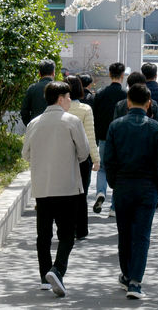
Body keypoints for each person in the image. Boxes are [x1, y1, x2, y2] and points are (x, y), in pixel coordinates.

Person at [22, 80, 90, 298]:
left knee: (43, 235)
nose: (70, 100)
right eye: (68, 97)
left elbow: (25, 154)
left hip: (42, 187)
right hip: (68, 187)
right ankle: (57, 270)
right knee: (67, 235)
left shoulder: (34, 123)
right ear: (60, 98)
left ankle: (45, 277)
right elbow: (84, 153)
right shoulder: (72, 121)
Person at [105, 81, 158, 301]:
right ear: (149, 103)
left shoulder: (116, 126)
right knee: (142, 235)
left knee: (124, 233)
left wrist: (114, 183)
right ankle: (135, 281)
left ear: (128, 102)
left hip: (122, 186)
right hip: (147, 187)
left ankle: (126, 273)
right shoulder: (156, 128)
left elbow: (109, 161)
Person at [67, 75, 100, 240]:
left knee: (64, 194)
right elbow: (90, 136)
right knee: (82, 194)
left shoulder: (59, 109)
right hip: (82, 159)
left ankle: (65, 227)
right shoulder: (85, 109)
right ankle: (80, 229)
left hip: (62, 158)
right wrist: (96, 159)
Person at [92, 62, 126, 214]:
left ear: (109, 74)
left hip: (104, 136)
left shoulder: (100, 93)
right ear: (122, 75)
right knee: (118, 170)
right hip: (120, 138)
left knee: (103, 168)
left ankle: (100, 192)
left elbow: (94, 115)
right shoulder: (126, 95)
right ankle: (113, 207)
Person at [20, 58, 56, 126]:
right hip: (55, 127)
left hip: (35, 126)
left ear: (39, 73)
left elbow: (24, 111)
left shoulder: (32, 88)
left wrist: (30, 124)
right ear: (53, 73)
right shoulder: (59, 88)